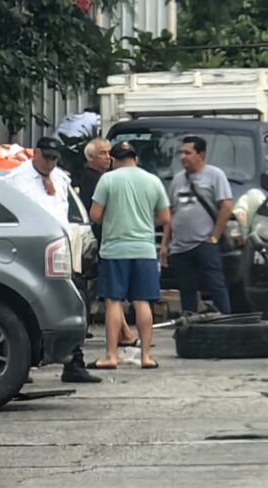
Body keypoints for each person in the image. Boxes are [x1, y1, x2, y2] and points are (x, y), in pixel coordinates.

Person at [3, 136, 101, 384]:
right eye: (46, 157)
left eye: (54, 158)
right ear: (36, 153)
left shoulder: (61, 178)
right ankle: (20, 366)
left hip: (61, 246)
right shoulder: (16, 179)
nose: (50, 163)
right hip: (31, 248)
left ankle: (73, 362)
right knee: (29, 303)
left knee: (74, 299)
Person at [88, 141, 170, 369]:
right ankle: (145, 356)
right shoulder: (153, 181)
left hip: (114, 249)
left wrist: (114, 219)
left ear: (113, 160)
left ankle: (111, 356)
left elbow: (95, 215)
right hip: (144, 249)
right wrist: (143, 221)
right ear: (136, 158)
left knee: (114, 302)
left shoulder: (107, 179)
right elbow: (164, 218)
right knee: (142, 302)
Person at [74, 138, 140, 346]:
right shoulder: (92, 179)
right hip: (99, 240)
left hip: (107, 240)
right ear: (90, 158)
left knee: (108, 292)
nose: (107, 157)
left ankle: (124, 332)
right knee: (110, 293)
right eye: (102, 153)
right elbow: (96, 214)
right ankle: (125, 333)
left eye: (108, 153)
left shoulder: (105, 178)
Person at [160, 135, 233, 314]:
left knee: (216, 285)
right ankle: (190, 324)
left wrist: (215, 236)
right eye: (181, 153)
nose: (182, 157)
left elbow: (226, 206)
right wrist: (165, 243)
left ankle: (226, 321)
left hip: (204, 243)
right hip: (180, 246)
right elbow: (171, 213)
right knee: (186, 289)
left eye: (188, 152)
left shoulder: (215, 175)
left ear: (200, 155)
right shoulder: (177, 180)